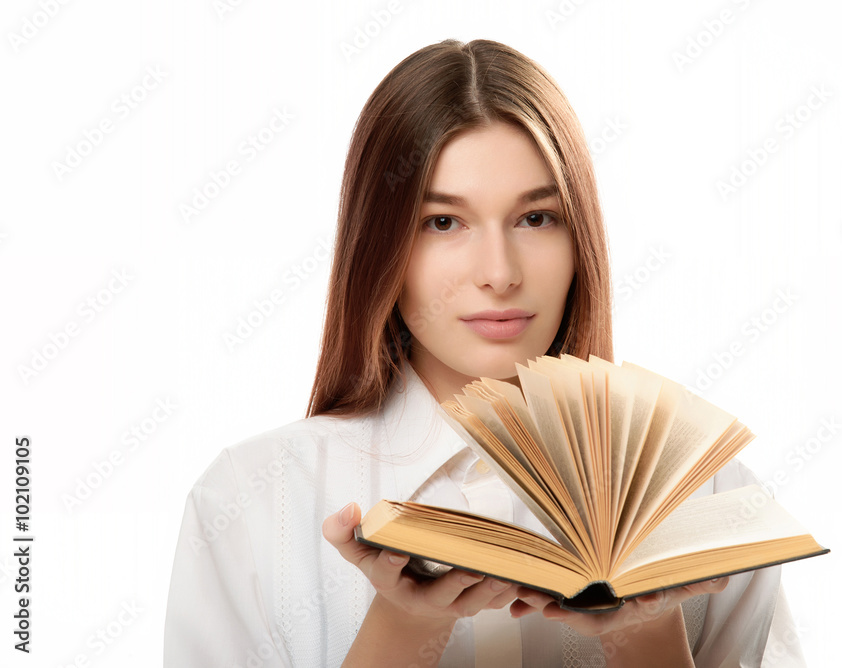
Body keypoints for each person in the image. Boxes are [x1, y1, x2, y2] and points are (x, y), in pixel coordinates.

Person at [164, 38, 807, 667]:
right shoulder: (252, 499)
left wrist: (646, 640)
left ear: (580, 238)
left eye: (536, 218)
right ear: (381, 245)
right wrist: (402, 630)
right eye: (443, 222)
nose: (499, 274)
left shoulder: (708, 497)